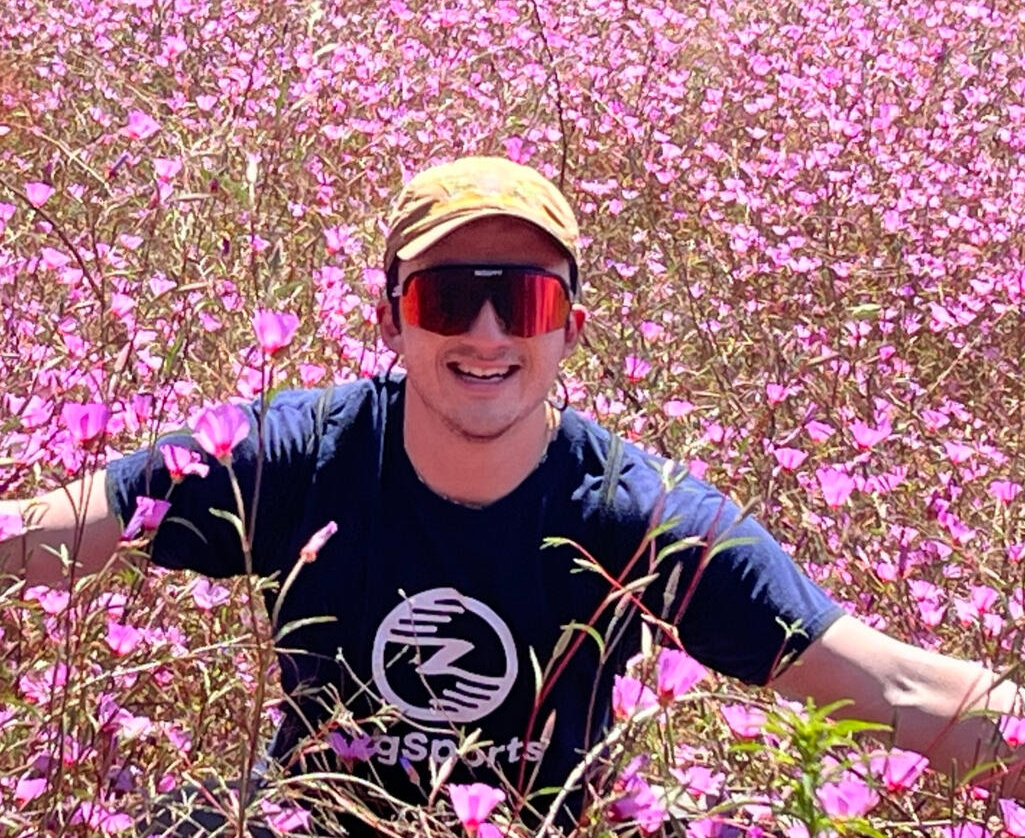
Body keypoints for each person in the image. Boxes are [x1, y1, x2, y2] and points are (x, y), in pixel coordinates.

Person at [4, 156, 1025, 836]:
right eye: (449, 297)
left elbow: (898, 691)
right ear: (392, 320)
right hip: (314, 818)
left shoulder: (638, 516)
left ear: (569, 329)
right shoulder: (292, 456)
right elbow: (48, 532)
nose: (486, 334)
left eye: (524, 299)